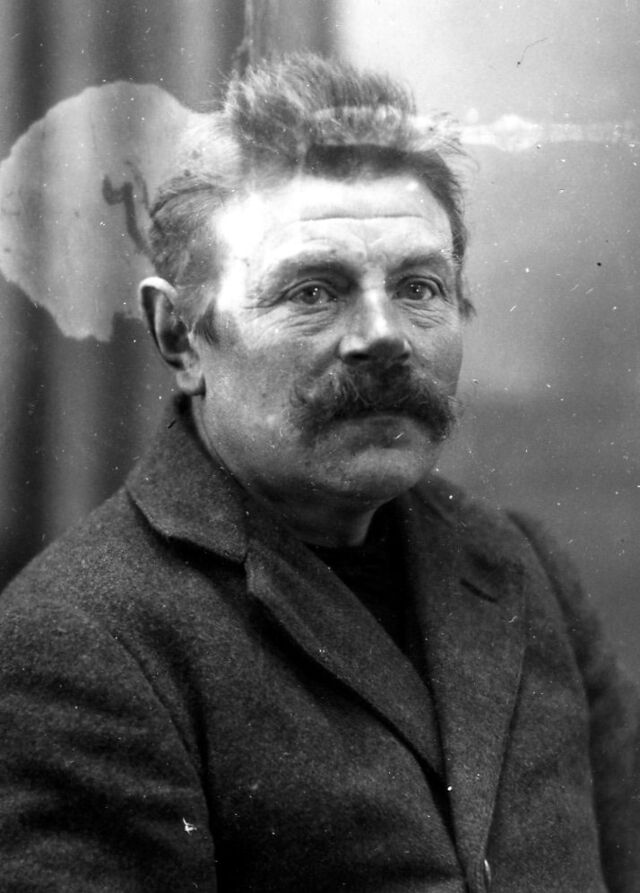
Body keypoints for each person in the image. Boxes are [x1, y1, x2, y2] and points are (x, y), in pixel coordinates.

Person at [0, 54, 638, 893]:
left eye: (419, 285)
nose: (385, 335)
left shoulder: (525, 567)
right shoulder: (80, 641)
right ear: (181, 335)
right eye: (312, 291)